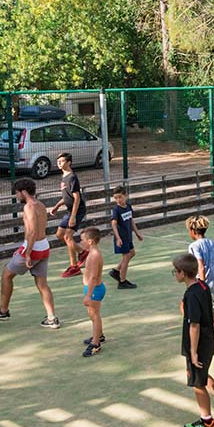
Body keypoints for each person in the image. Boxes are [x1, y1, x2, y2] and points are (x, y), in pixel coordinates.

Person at [0, 178, 61, 329]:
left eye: (17, 193)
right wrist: (23, 248)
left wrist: (27, 253)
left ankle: (3, 311)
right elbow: (38, 231)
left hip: (33, 250)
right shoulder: (41, 205)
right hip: (44, 247)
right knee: (42, 284)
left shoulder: (29, 207)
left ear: (23, 192)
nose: (16, 196)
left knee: (6, 275)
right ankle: (52, 318)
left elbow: (32, 232)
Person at [174, 253, 214, 427]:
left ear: (183, 273)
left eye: (175, 272)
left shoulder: (191, 294)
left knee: (197, 383)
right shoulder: (202, 286)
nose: (175, 275)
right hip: (207, 340)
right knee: (198, 373)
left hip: (198, 343)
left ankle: (207, 421)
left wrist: (193, 352)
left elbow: (194, 324)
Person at [186, 215, 214, 364]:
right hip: (213, 286)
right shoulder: (212, 243)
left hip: (202, 286)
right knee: (212, 318)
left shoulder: (194, 246)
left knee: (200, 319)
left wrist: (201, 285)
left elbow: (199, 265)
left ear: (192, 230)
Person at [50, 152, 88, 279]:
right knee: (59, 235)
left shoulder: (72, 177)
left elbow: (77, 197)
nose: (59, 163)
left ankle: (74, 267)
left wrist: (73, 216)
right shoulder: (64, 177)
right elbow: (66, 196)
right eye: (58, 161)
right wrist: (57, 206)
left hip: (77, 210)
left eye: (61, 161)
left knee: (67, 236)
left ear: (69, 162)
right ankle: (82, 253)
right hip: (69, 210)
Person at [107, 185, 142, 289]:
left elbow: (131, 220)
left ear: (125, 196)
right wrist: (118, 238)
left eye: (120, 197)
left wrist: (137, 233)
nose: (118, 200)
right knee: (126, 257)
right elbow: (113, 224)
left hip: (128, 237)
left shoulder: (128, 206)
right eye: (116, 198)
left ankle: (116, 271)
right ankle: (122, 282)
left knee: (132, 253)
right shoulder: (116, 210)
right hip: (121, 237)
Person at [79, 227, 106, 357]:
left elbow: (94, 277)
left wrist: (88, 295)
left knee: (94, 316)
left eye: (82, 240)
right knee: (93, 315)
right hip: (92, 289)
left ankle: (96, 344)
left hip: (94, 290)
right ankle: (99, 336)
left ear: (90, 241)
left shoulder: (95, 256)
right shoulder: (91, 253)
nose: (81, 243)